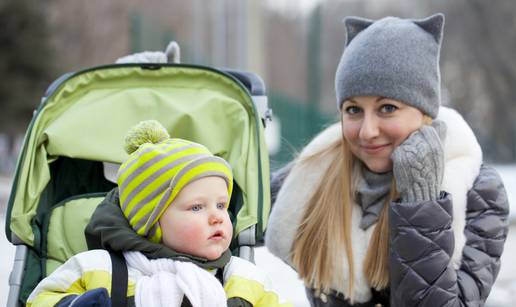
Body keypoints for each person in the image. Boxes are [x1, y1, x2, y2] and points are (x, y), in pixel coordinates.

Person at [265, 13, 509, 307]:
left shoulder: (478, 192)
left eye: (387, 108)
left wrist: (421, 201)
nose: (368, 131)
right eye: (353, 110)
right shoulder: (316, 174)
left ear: (425, 113)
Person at [27, 120, 291, 307]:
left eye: (221, 205)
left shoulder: (241, 279)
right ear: (150, 221)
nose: (217, 217)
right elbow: (40, 299)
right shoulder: (99, 268)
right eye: (197, 207)